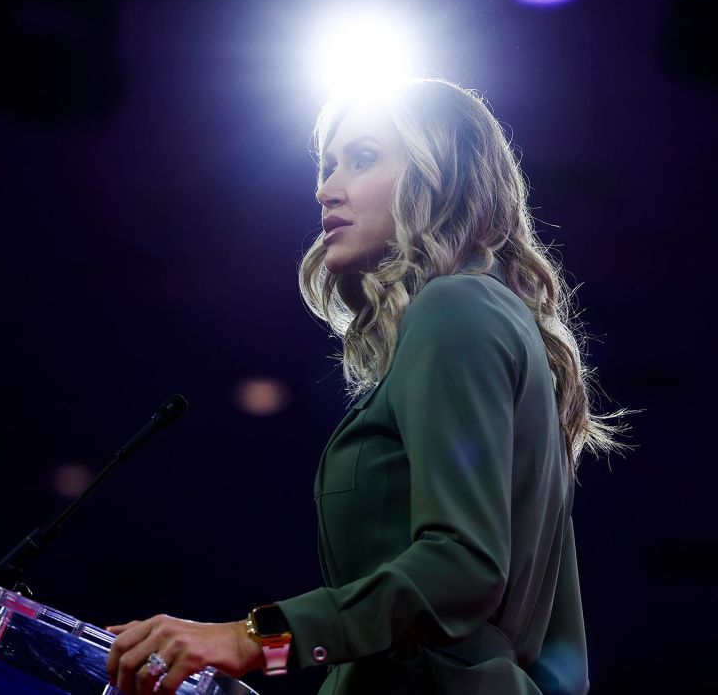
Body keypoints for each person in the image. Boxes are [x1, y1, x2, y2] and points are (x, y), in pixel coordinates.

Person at [105, 78, 630, 694]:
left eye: (362, 159)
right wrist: (258, 655)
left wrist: (249, 639)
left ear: (440, 176)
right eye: (328, 165)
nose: (325, 190)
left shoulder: (455, 308)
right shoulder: (492, 321)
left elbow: (462, 571)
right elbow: (564, 666)